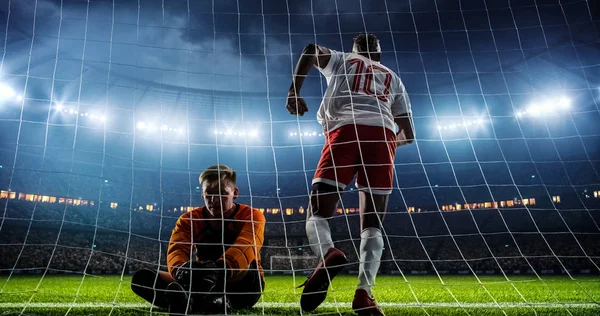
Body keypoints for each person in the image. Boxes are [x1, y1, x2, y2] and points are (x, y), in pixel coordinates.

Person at [286, 33, 414, 315]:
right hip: (383, 136)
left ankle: (328, 252)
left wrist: (294, 91)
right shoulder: (393, 77)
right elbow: (409, 134)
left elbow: (310, 49)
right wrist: (388, 144)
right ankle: (363, 294)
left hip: (345, 131)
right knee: (372, 224)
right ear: (378, 55)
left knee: (318, 213)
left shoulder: (343, 59)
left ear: (354, 50)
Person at [130, 164, 266, 315]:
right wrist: (182, 271)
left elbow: (246, 246)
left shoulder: (252, 216)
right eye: (209, 194)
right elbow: (177, 249)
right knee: (142, 278)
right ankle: (206, 302)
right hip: (201, 278)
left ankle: (191, 299)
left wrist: (218, 271)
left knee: (246, 264)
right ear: (202, 194)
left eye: (222, 193)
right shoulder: (188, 219)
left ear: (235, 193)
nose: (214, 199)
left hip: (242, 282)